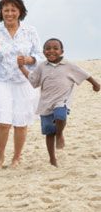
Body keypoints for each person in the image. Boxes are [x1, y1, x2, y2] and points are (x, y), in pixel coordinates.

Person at [17, 38, 100, 166]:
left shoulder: (68, 65)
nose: (51, 51)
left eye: (55, 48)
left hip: (62, 99)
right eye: (48, 48)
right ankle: (52, 158)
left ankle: (60, 134)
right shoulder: (41, 67)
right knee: (49, 132)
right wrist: (22, 68)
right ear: (44, 52)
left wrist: (95, 84)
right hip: (45, 103)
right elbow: (33, 80)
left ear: (62, 51)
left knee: (60, 114)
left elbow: (85, 74)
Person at [0, 0, 42, 169]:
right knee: (3, 121)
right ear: (1, 12)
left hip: (24, 81)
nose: (9, 13)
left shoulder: (30, 31)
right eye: (6, 10)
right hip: (1, 80)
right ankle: (0, 157)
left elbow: (40, 55)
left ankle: (16, 158)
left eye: (13, 10)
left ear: (20, 12)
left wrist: (30, 60)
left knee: (21, 122)